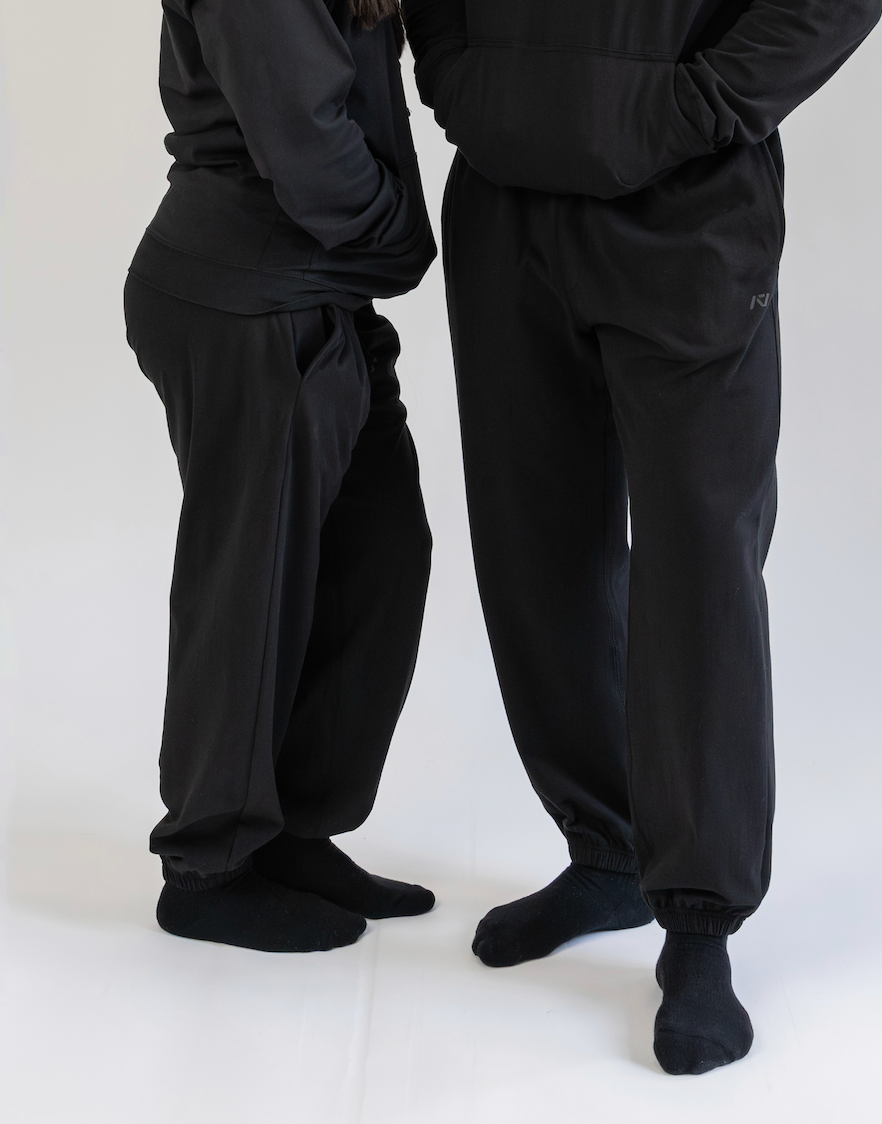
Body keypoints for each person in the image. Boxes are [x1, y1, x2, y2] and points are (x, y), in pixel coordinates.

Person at [402, 0, 882, 1073]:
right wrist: (467, 92)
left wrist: (688, 107)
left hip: (687, 211)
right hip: (507, 204)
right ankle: (604, 846)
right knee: (534, 545)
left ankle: (698, 925)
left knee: (698, 564)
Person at [124, 0, 437, 954]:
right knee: (251, 589)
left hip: (317, 285)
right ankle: (209, 865)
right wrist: (404, 243)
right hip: (248, 290)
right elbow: (302, 135)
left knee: (380, 560)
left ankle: (293, 828)